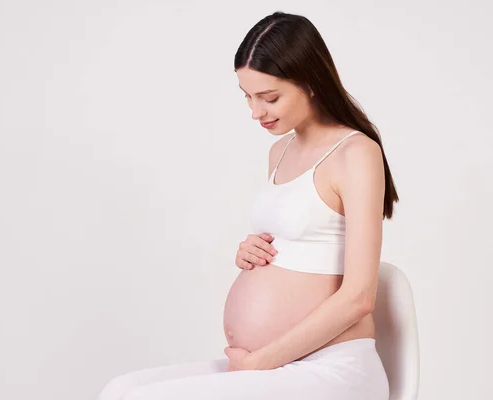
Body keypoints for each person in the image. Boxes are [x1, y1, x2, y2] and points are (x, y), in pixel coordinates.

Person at [97, 11, 398, 400]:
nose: (256, 112)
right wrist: (253, 253)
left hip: (331, 369)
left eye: (269, 98)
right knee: (119, 390)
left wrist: (261, 362)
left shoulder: (355, 153)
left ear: (310, 83)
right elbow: (301, 241)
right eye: (248, 97)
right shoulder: (280, 151)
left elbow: (359, 296)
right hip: (277, 365)